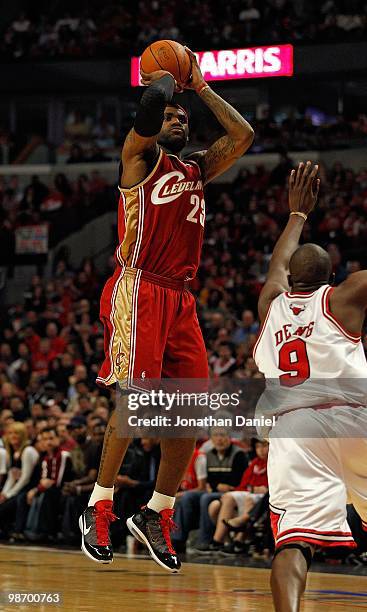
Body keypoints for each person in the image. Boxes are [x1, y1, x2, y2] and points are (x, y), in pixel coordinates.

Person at [80, 48, 254, 572]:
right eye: (170, 116)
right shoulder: (139, 155)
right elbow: (153, 101)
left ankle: (157, 511)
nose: (177, 119)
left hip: (181, 298)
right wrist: (164, 80)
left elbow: (243, 135)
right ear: (155, 124)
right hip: (139, 286)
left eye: (183, 119)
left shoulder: (196, 167)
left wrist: (199, 87)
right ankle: (100, 503)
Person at [253, 161, 367, 612]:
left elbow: (277, 265)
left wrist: (296, 215)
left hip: (296, 428)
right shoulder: (347, 295)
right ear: (330, 278)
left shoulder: (270, 305)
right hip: (356, 417)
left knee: (293, 544)